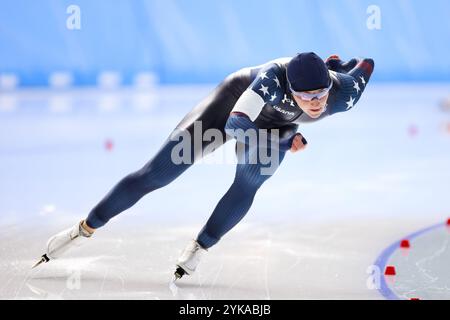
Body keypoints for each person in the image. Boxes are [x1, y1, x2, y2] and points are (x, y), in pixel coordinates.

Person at [33, 52, 374, 281]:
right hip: (232, 106)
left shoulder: (344, 95)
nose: (315, 104)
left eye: (321, 94)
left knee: (249, 181)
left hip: (277, 125)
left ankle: (201, 244)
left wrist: (342, 71)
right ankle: (84, 228)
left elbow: (367, 65)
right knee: (158, 173)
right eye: (306, 97)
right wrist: (284, 143)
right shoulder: (271, 79)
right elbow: (236, 126)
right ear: (291, 89)